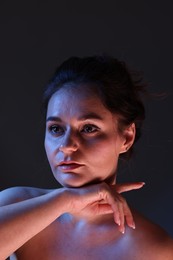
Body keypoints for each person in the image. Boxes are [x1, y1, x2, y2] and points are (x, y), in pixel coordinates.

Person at [0, 55, 173, 260]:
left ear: (126, 137)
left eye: (88, 128)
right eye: (56, 129)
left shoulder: (151, 249)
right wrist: (67, 201)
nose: (66, 146)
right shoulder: (14, 204)